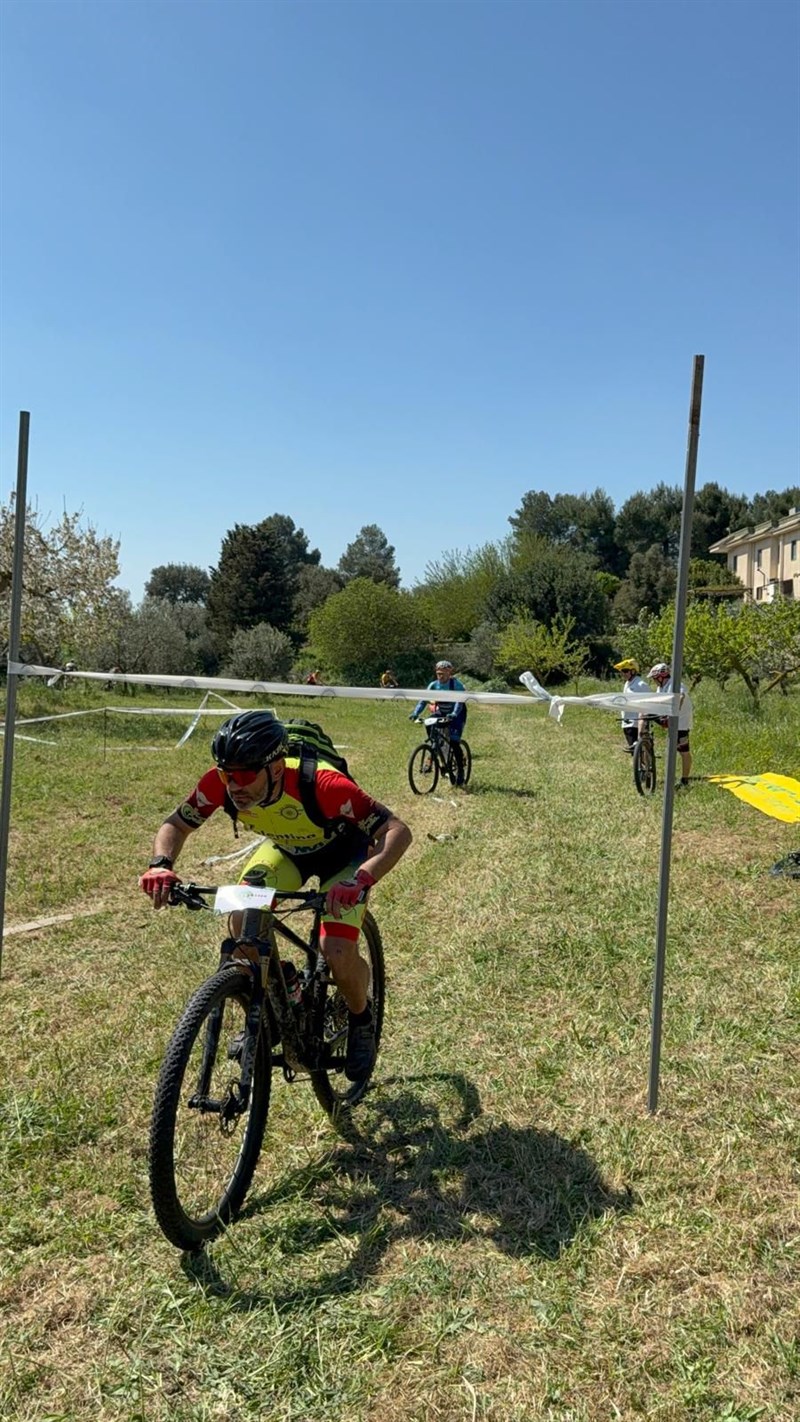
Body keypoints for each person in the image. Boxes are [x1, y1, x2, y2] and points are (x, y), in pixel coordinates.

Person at [140, 710, 412, 1082]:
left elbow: (397, 831)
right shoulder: (218, 785)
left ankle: (361, 1016)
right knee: (242, 922)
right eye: (226, 773)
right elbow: (176, 824)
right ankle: (283, 988)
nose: (234, 785)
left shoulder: (325, 785)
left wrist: (363, 879)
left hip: (347, 856)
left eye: (246, 774)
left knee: (335, 949)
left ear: (277, 768)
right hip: (289, 851)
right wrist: (160, 864)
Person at [410, 659, 468, 784]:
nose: (440, 676)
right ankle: (435, 750)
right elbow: (423, 701)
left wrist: (454, 714)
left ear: (449, 673)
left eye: (443, 673)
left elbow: (459, 702)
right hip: (442, 711)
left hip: (457, 714)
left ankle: (460, 771)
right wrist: (416, 713)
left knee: (454, 741)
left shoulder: (456, 685)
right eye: (438, 673)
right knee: (430, 726)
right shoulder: (433, 685)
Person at [645, 662, 694, 788]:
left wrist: (673, 713)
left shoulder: (674, 684)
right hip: (669, 719)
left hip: (681, 722)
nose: (654, 681)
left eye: (655, 679)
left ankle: (685, 780)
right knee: (646, 714)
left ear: (662, 676)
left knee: (683, 751)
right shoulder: (661, 687)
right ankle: (643, 738)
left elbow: (681, 696)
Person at [612, 658, 651, 753]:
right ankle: (640, 766)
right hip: (627, 721)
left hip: (636, 721)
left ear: (633, 671)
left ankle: (646, 766)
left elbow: (647, 702)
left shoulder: (641, 684)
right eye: (622, 671)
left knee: (640, 751)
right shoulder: (627, 683)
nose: (623, 674)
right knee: (634, 753)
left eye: (625, 671)